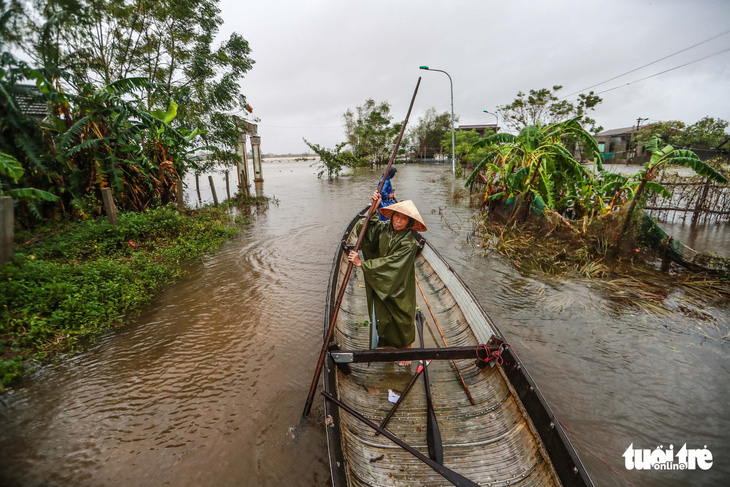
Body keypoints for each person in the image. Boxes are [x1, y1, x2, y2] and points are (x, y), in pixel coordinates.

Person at [348, 191, 427, 366]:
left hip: (399, 282)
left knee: (402, 314)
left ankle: (407, 350)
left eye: (403, 219)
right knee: (386, 313)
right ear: (391, 217)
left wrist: (363, 264)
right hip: (384, 279)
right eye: (396, 217)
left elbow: (392, 264)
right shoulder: (386, 229)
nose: (398, 221)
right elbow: (365, 228)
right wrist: (373, 208)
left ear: (410, 222)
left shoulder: (409, 243)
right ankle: (390, 344)